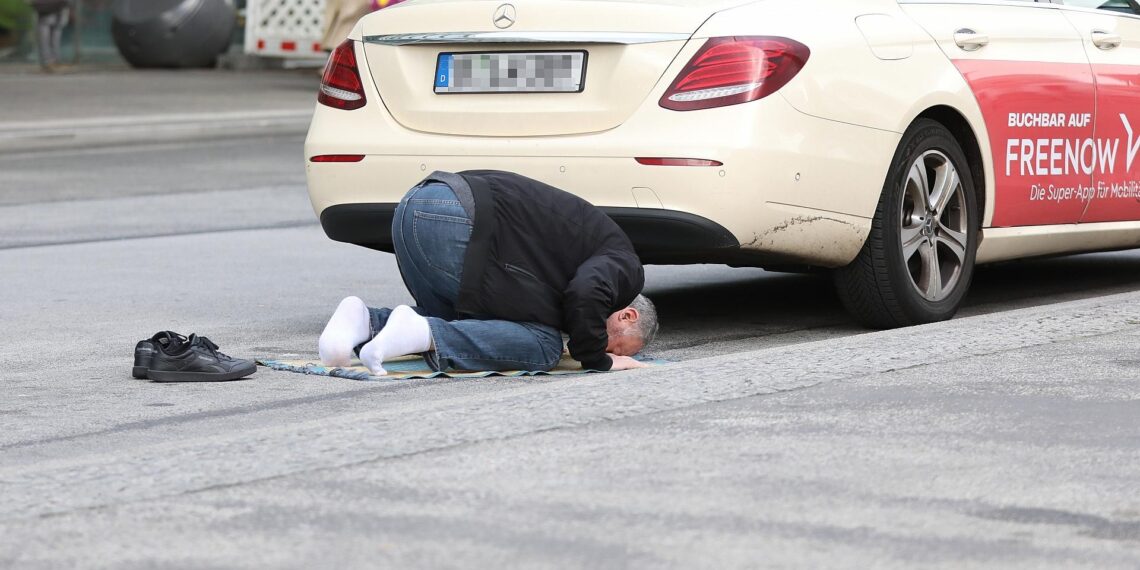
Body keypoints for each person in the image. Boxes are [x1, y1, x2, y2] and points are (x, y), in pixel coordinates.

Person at [318, 170, 659, 374]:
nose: (608, 349)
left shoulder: (583, 251)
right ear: (627, 316)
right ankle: (422, 331)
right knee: (543, 345)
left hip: (413, 207)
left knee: (464, 320)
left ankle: (362, 321)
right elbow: (586, 292)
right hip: (455, 217)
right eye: (617, 347)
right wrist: (599, 360)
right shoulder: (627, 269)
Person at [28, 0, 69, 72]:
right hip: (45, 12)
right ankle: (48, 62)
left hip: (57, 11)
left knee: (53, 38)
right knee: (44, 38)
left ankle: (54, 61)